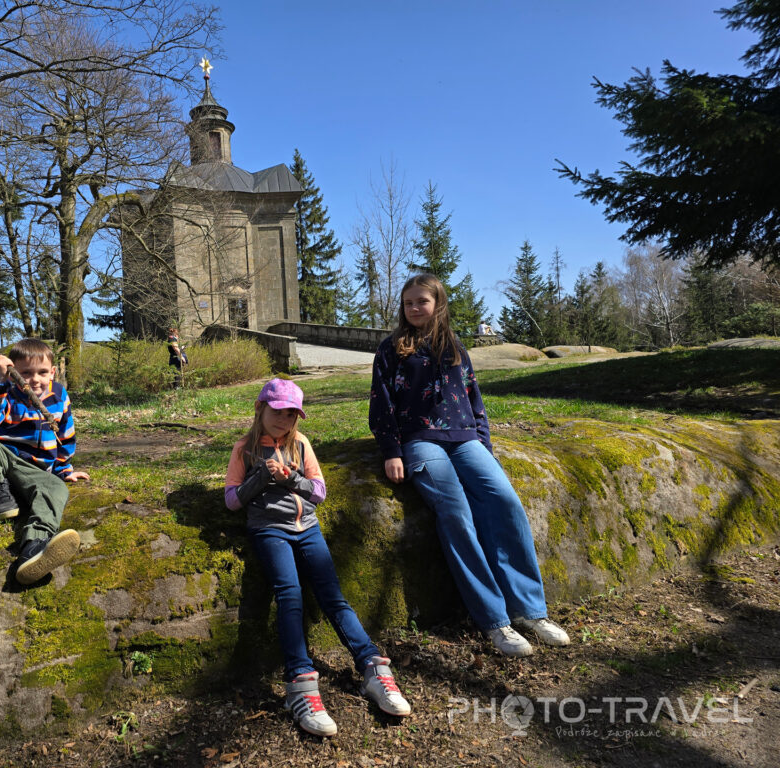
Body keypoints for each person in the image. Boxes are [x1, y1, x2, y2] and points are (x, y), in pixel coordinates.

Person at [369, 275, 570, 657]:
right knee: (456, 511)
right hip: (418, 441)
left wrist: (485, 446)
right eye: (408, 302)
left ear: (438, 303)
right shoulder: (392, 348)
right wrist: (390, 451)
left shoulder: (456, 347)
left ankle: (530, 611)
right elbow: (381, 404)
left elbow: (474, 399)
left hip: (465, 441)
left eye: (422, 301)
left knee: (505, 501)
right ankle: (495, 621)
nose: (414, 308)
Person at [225, 379, 411, 737]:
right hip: (270, 530)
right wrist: (261, 477)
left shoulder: (301, 444)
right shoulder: (244, 450)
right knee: (290, 595)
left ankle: (373, 668)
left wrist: (292, 479)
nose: (284, 419)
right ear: (260, 408)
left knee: (334, 598)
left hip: (307, 527)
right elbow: (232, 500)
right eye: (277, 411)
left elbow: (319, 492)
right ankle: (300, 684)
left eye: (292, 413)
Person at [0, 338, 90, 585]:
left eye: (42, 372)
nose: (34, 379)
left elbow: (65, 435)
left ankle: (34, 548)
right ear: (14, 372)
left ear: (53, 372)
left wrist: (64, 468)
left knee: (57, 488)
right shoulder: (7, 395)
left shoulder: (59, 396)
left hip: (36, 473)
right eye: (25, 373)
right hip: (4, 463)